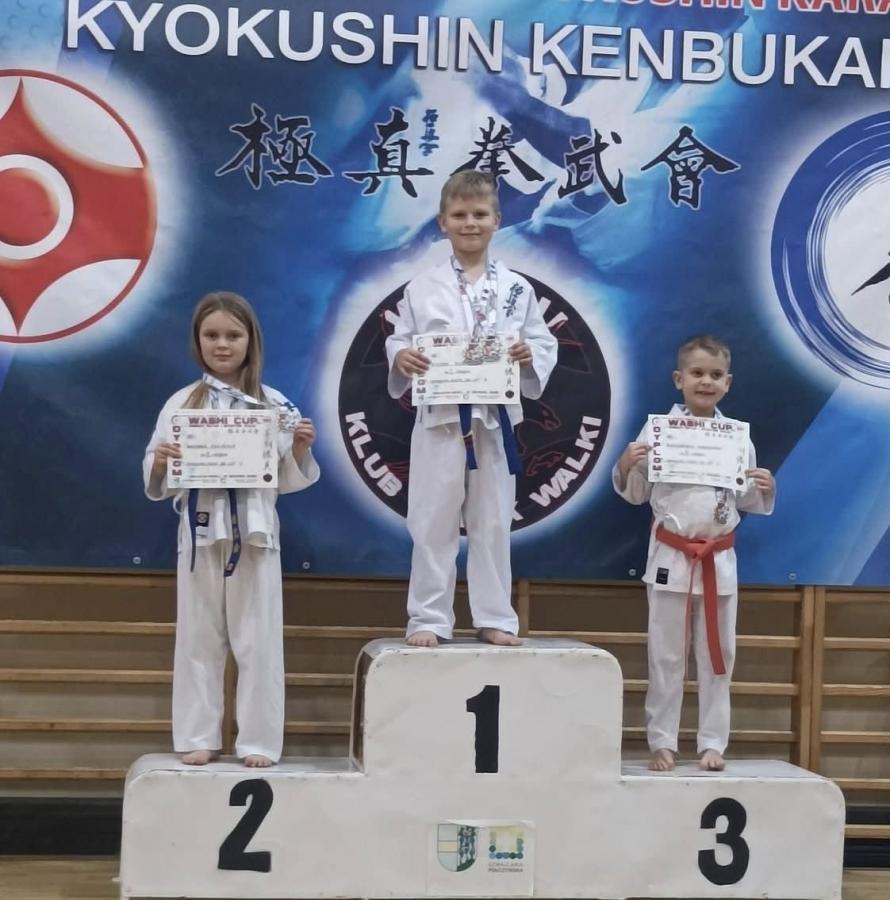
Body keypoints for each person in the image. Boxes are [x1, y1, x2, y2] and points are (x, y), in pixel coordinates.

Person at [143, 292, 319, 767]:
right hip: (200, 532)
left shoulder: (274, 404)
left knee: (259, 640)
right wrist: (159, 462)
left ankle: (258, 741)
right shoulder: (181, 404)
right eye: (212, 335)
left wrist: (300, 449)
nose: (222, 344)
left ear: (250, 340)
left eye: (232, 335)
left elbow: (286, 477)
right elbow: (157, 474)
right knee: (198, 637)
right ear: (197, 341)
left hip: (256, 533)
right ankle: (198, 736)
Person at [386, 171, 558, 648]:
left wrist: (529, 354)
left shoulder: (518, 288)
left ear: (497, 220)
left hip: (494, 420)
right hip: (439, 419)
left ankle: (495, 616)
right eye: (459, 215)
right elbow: (400, 338)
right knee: (431, 520)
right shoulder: (422, 287)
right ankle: (428, 617)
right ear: (442, 222)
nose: (470, 223)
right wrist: (401, 357)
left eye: (480, 214)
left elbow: (542, 341)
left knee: (493, 521)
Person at [613, 335, 775, 772]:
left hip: (718, 560)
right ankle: (662, 741)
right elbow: (636, 494)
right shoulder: (658, 431)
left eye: (716, 375)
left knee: (719, 655)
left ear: (728, 383)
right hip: (672, 557)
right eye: (698, 373)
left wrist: (765, 487)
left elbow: (745, 499)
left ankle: (712, 742)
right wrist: (626, 464)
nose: (706, 381)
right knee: (666, 655)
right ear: (678, 379)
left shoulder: (737, 438)